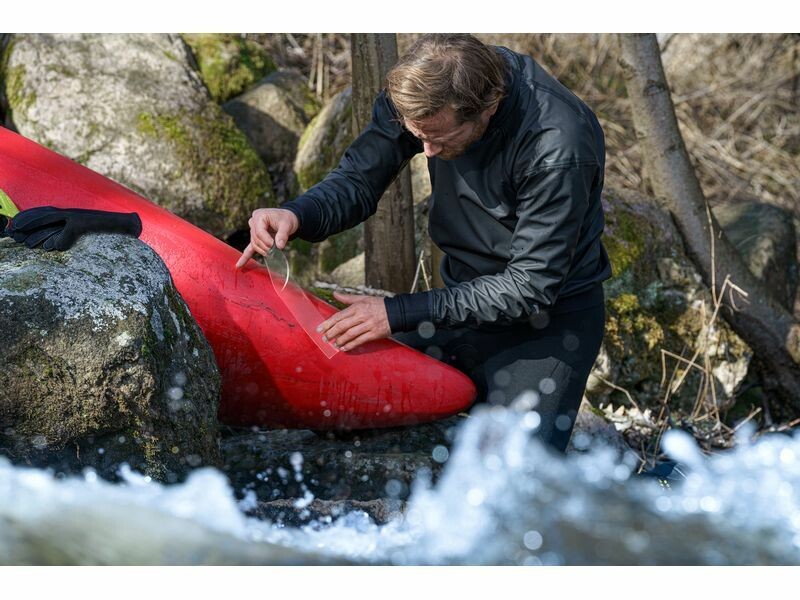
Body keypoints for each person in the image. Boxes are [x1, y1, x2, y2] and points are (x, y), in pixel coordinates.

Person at [236, 34, 612, 453]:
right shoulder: (418, 92)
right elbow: (359, 179)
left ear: (489, 106)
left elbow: (529, 287)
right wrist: (297, 214)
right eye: (418, 136)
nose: (427, 151)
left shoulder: (557, 144)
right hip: (459, 305)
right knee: (343, 411)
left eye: (440, 138)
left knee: (513, 476)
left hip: (547, 326)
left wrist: (397, 312)